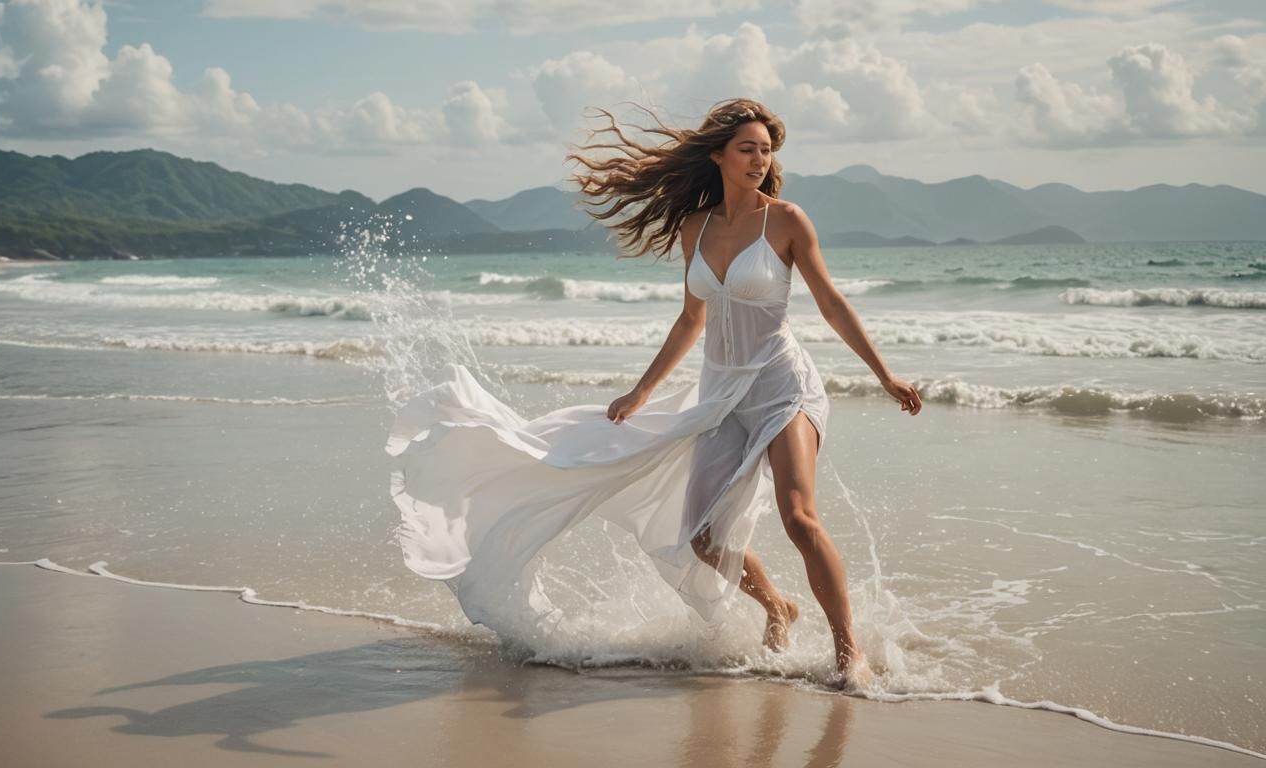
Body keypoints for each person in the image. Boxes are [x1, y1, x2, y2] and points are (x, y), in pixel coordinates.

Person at [385, 98, 921, 688]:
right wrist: (641, 392)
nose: (760, 160)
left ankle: (849, 653)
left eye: (767, 150)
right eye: (747, 148)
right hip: (720, 394)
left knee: (798, 517)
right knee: (702, 538)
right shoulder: (696, 226)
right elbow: (691, 319)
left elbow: (830, 302)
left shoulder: (787, 220)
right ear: (718, 154)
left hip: (781, 384)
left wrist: (883, 373)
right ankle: (777, 606)